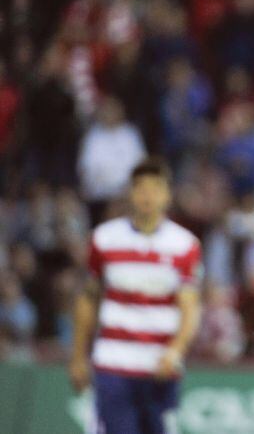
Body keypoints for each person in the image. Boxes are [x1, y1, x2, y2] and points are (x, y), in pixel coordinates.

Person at [69, 158, 202, 434]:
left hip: (159, 367)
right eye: (140, 188)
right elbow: (88, 298)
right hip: (114, 363)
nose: (147, 196)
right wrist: (79, 355)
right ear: (130, 193)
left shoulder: (184, 245)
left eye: (155, 188)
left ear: (167, 195)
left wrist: (176, 350)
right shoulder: (104, 239)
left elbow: (190, 307)